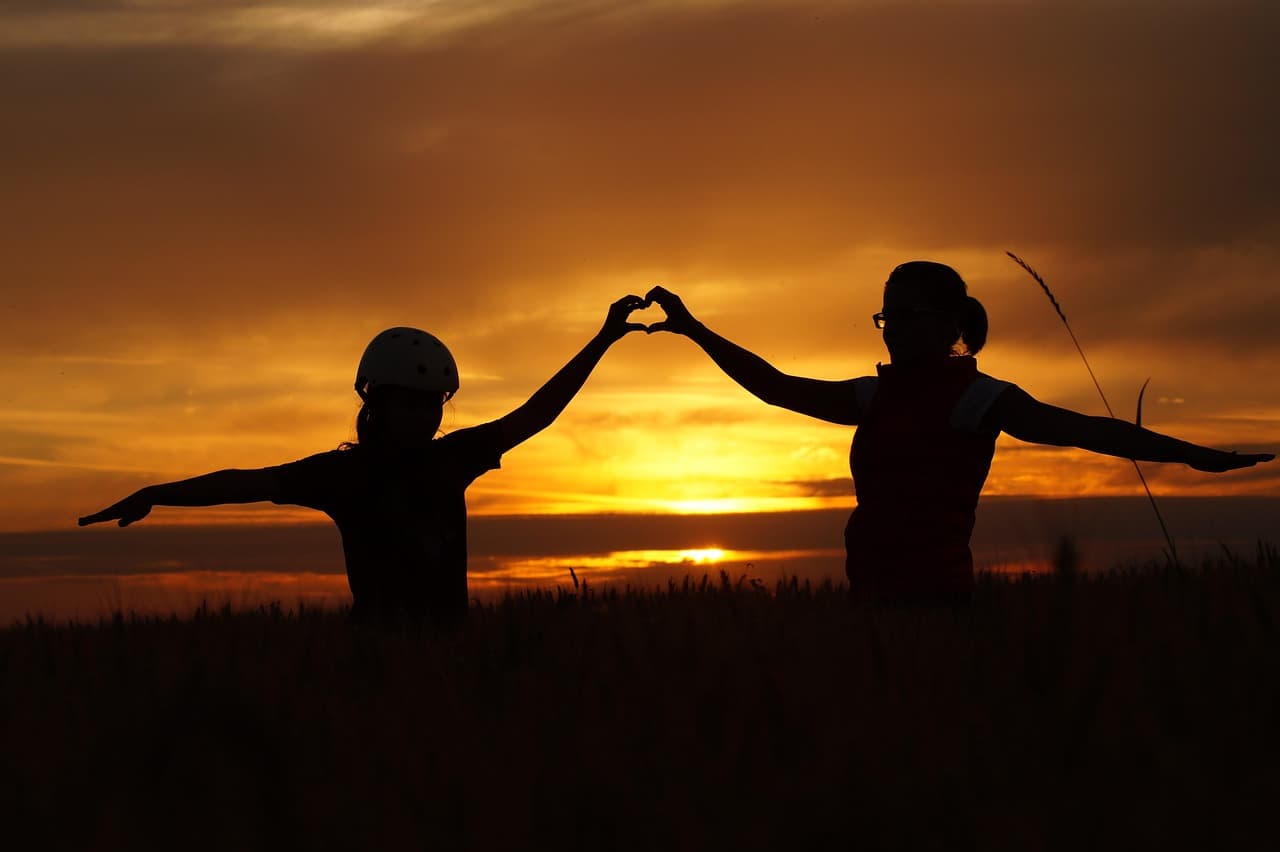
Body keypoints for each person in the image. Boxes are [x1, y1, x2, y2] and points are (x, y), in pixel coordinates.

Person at [644, 262, 1274, 606]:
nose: (892, 328)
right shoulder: (874, 394)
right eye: (886, 316)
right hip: (868, 598)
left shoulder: (980, 398)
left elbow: (1086, 430)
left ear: (949, 325)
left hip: (937, 602)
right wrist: (693, 328)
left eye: (907, 315)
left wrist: (1191, 455)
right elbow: (777, 387)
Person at [79, 296, 650, 625]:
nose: (424, 416)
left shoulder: (454, 458)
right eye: (409, 402)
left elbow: (537, 413)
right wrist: (157, 494)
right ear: (375, 403)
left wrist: (603, 338)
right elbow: (243, 483)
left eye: (432, 404)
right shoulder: (342, 476)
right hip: (379, 662)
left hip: (453, 663)